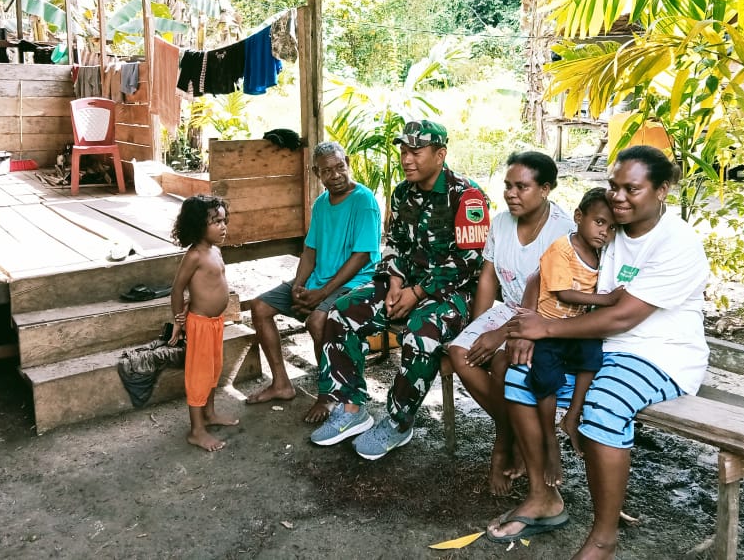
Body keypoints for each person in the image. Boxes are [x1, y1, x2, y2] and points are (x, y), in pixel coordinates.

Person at [489, 146, 710, 558]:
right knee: (519, 374)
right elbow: (547, 273)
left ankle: (603, 539)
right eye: (613, 186)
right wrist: (528, 325)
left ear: (662, 190)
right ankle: (543, 497)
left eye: (632, 189)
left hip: (659, 356)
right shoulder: (610, 228)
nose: (618, 197)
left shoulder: (676, 243)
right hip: (599, 347)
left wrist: (544, 328)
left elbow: (622, 317)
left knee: (605, 406)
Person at [311, 119, 489, 460]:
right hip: (405, 284)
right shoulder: (403, 193)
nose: (407, 159)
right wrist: (394, 281)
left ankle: (398, 421)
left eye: (416, 152)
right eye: (404, 151)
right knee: (341, 312)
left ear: (440, 155)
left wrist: (417, 293)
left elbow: (468, 261)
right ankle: (351, 408)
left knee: (421, 334)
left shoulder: (467, 196)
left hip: (452, 292)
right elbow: (394, 244)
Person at [448, 151, 575, 494]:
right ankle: (516, 432)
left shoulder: (563, 232)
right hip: (509, 309)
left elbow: (552, 299)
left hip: (546, 317)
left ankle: (503, 444)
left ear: (545, 189)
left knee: (503, 363)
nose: (511, 193)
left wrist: (499, 336)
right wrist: (481, 328)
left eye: (522, 186)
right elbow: (488, 276)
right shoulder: (502, 222)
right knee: (461, 353)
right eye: (507, 185)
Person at [245, 141, 382, 422]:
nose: (335, 175)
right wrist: (299, 285)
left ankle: (328, 394)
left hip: (354, 281)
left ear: (348, 162)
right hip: (321, 280)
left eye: (339, 167)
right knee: (259, 307)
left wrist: (321, 293)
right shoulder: (321, 203)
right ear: (316, 173)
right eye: (327, 171)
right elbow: (310, 250)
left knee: (318, 321)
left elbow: (361, 257)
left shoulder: (364, 201)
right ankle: (281, 384)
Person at [522, 187, 619, 489]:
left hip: (575, 329)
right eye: (599, 222)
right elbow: (563, 293)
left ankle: (572, 415)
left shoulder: (602, 254)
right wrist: (606, 300)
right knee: (545, 380)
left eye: (611, 228)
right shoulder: (561, 249)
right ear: (579, 217)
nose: (604, 232)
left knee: (593, 356)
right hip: (547, 328)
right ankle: (550, 440)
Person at [168, 194, 241, 452]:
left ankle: (209, 414)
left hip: (215, 323)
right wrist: (179, 320)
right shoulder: (195, 256)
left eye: (224, 220)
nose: (223, 227)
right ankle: (196, 430)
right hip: (199, 325)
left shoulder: (215, 251)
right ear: (198, 225)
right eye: (215, 222)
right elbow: (177, 290)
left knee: (213, 370)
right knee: (199, 375)